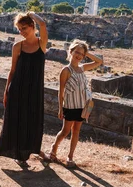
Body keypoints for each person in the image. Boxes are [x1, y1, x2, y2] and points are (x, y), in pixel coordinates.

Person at [0, 12, 48, 169]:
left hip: (34, 90)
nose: (21, 32)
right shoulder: (17, 46)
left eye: (24, 28)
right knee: (16, 121)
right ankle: (19, 156)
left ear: (32, 26)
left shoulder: (41, 43)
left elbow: (43, 24)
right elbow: (12, 71)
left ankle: (34, 149)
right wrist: (6, 91)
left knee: (33, 120)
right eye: (19, 29)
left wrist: (32, 14)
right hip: (17, 89)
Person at [41, 39, 103, 168]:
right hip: (70, 105)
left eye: (81, 54)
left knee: (76, 131)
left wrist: (87, 52)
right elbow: (61, 91)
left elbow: (99, 62)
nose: (79, 55)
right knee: (65, 131)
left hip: (83, 105)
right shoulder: (66, 70)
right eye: (77, 52)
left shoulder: (82, 68)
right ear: (71, 51)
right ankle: (54, 148)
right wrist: (60, 108)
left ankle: (70, 157)